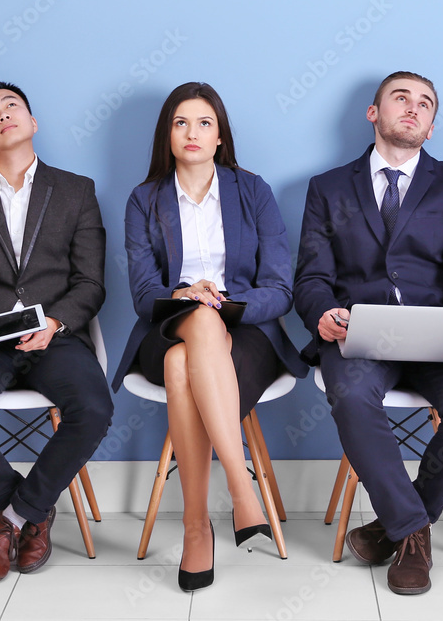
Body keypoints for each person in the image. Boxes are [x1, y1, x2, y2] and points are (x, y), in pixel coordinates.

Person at [294, 71, 443, 596]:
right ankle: (413, 535)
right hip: (360, 333)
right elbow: (311, 276)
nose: (412, 108)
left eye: (425, 103)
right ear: (373, 113)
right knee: (353, 395)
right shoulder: (327, 187)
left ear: (430, 127)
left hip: (440, 335)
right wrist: (322, 313)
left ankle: (396, 525)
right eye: (400, 98)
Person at [111, 82, 308, 592]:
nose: (192, 133)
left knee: (184, 366)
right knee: (195, 322)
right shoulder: (144, 199)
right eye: (180, 123)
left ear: (220, 137)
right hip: (167, 325)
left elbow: (280, 288)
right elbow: (142, 293)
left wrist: (224, 304)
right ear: (167, 135)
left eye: (204, 123)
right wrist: (188, 297)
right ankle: (242, 490)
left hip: (247, 333)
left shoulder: (253, 190)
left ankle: (196, 526)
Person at [0, 80, 112, 583]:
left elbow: (91, 282)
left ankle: (8, 521)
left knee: (94, 409)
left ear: (32, 122)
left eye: (12, 106)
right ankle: (33, 511)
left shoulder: (77, 190)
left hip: (55, 336)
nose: (2, 113)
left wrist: (55, 323)